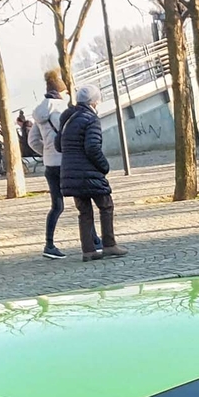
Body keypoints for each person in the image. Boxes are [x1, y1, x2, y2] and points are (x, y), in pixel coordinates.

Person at [58, 84, 124, 262]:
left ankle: (88, 251)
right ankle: (109, 245)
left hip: (70, 173)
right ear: (94, 102)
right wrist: (104, 166)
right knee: (106, 205)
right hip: (89, 172)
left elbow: (58, 145)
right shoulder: (90, 119)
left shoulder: (68, 118)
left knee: (84, 212)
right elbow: (92, 147)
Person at [32, 68, 72, 261]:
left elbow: (32, 140)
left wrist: (47, 152)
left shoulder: (39, 112)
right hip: (67, 161)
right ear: (61, 91)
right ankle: (94, 241)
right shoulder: (62, 108)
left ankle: (49, 244)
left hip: (50, 164)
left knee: (57, 206)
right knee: (84, 201)